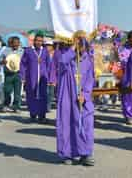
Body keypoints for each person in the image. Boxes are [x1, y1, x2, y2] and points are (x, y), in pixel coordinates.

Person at [51, 38, 95, 166]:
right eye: (77, 44)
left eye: (82, 44)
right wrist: (72, 49)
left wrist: (85, 94)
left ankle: (85, 154)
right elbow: (61, 63)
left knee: (86, 124)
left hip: (83, 98)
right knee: (67, 123)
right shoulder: (66, 56)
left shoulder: (88, 60)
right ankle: (67, 153)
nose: (80, 47)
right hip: (67, 96)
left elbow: (90, 80)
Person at [20, 33, 50, 123]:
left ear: (42, 42)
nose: (38, 42)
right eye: (37, 40)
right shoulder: (28, 51)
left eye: (40, 41)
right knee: (31, 95)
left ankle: (42, 116)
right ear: (34, 41)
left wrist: (47, 75)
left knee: (43, 96)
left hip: (42, 78)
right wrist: (23, 75)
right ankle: (33, 115)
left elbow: (48, 64)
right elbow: (23, 64)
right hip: (31, 77)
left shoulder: (45, 51)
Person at [120, 30, 132, 125]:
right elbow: (120, 62)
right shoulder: (123, 49)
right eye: (131, 41)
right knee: (127, 95)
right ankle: (128, 116)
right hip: (126, 75)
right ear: (128, 39)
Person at [1, 36, 24, 113]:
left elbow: (25, 62)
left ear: (19, 43)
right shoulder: (6, 51)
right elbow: (0, 62)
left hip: (18, 74)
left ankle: (16, 107)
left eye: (17, 43)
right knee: (7, 91)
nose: (16, 45)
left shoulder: (22, 51)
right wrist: (3, 62)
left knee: (17, 92)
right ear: (11, 43)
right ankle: (6, 105)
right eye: (14, 43)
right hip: (8, 74)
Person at [45, 40, 56, 112]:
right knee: (45, 92)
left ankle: (48, 107)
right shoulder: (43, 54)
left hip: (53, 77)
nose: (48, 47)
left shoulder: (56, 54)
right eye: (47, 45)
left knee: (51, 93)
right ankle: (45, 107)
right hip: (45, 77)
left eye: (49, 45)